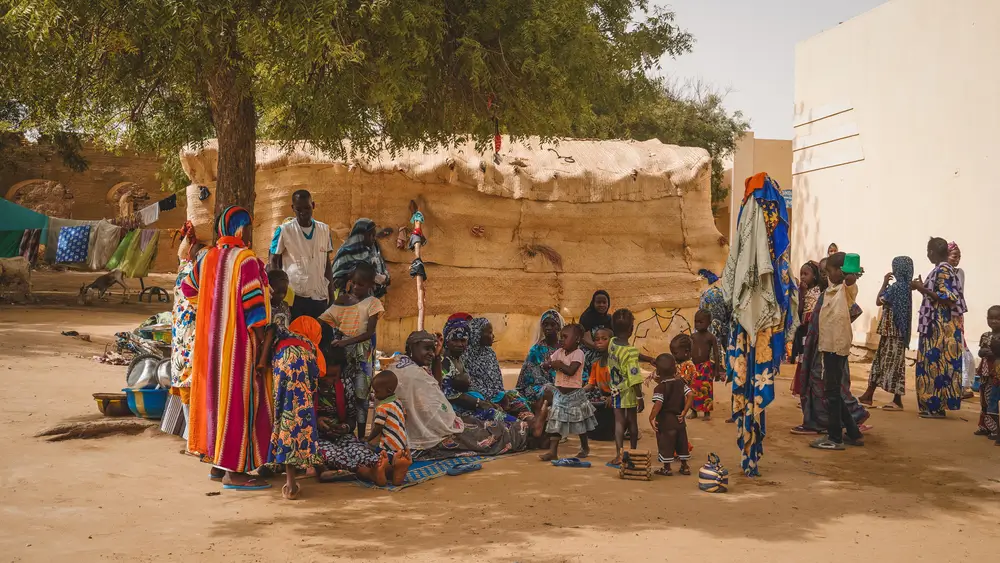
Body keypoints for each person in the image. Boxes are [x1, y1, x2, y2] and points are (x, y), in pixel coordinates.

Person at [181, 206, 273, 490]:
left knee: (217, 401)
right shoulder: (246, 260)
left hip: (210, 345)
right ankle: (235, 472)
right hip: (238, 345)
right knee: (238, 403)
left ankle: (218, 466)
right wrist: (262, 342)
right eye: (248, 228)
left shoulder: (207, 257)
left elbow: (188, 289)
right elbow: (255, 310)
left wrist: (213, 309)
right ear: (240, 230)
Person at [720, 173, 797, 476]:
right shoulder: (779, 267)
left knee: (749, 379)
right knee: (756, 381)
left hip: (752, 325)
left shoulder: (771, 265)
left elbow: (732, 282)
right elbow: (788, 298)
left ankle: (751, 450)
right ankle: (752, 452)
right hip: (762, 324)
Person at [389, 331, 539, 460]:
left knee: (478, 423)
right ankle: (527, 431)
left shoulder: (402, 365)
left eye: (432, 349)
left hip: (425, 427)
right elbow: (439, 401)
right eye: (426, 349)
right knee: (484, 434)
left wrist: (436, 357)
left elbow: (436, 391)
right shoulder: (415, 374)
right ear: (411, 348)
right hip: (425, 437)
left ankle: (529, 429)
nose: (431, 353)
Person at [319, 262, 384, 438]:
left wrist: (345, 342)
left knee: (362, 396)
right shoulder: (342, 300)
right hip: (344, 357)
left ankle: (361, 436)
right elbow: (324, 320)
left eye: (361, 284)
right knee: (346, 393)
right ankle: (345, 431)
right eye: (353, 282)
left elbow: (369, 333)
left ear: (371, 285)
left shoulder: (373, 303)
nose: (355, 287)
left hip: (363, 356)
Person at [266, 317, 325, 500]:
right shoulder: (310, 346)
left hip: (280, 370)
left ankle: (280, 471)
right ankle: (291, 484)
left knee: (282, 420)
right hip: (302, 388)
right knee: (298, 423)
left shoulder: (282, 335)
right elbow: (318, 374)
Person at [810, 252, 865, 450]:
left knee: (832, 392)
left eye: (830, 271)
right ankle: (853, 432)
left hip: (836, 347)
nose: (827, 275)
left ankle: (835, 437)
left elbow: (850, 283)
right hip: (829, 345)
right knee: (833, 391)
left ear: (839, 272)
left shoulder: (845, 290)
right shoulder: (831, 290)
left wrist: (850, 275)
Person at [314, 335, 385, 485]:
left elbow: (351, 419)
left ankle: (385, 469)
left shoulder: (345, 385)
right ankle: (366, 473)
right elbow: (301, 422)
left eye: (334, 376)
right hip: (316, 439)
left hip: (342, 436)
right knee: (334, 455)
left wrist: (345, 427)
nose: (329, 380)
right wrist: (317, 421)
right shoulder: (309, 387)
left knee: (362, 453)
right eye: (325, 375)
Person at [913, 237, 966, 418]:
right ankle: (936, 407)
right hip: (939, 325)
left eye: (928, 251)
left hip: (939, 327)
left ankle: (934, 406)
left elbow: (946, 297)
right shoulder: (944, 269)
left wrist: (921, 288)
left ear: (932, 252)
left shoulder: (943, 270)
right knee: (938, 365)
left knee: (934, 365)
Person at [269, 190, 336, 320]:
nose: (303, 212)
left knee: (319, 336)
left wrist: (331, 295)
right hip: (294, 297)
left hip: (319, 296)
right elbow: (273, 259)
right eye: (298, 209)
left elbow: (326, 263)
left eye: (307, 208)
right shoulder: (284, 230)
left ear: (313, 205)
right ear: (292, 208)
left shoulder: (324, 230)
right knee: (296, 336)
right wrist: (278, 289)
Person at [859, 256, 913, 410]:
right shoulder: (907, 287)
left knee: (889, 364)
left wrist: (884, 283)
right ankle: (869, 395)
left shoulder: (896, 288)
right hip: (896, 332)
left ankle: (897, 401)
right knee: (884, 363)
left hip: (892, 332)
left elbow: (879, 301)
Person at [164, 233, 204, 439]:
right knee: (191, 384)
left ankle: (191, 434)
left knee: (185, 383)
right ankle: (192, 436)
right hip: (191, 338)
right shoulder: (195, 277)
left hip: (181, 338)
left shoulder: (183, 271)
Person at [540, 324, 596, 461]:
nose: (561, 340)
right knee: (556, 422)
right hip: (559, 395)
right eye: (561, 337)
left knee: (579, 423)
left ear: (577, 339)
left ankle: (584, 447)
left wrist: (558, 365)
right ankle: (553, 451)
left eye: (565, 337)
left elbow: (571, 371)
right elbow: (547, 364)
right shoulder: (559, 352)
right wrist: (547, 364)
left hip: (575, 395)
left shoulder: (579, 354)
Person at [462, 317, 534, 420]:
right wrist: (497, 396)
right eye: (490, 333)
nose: (493, 336)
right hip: (481, 398)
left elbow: (498, 382)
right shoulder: (466, 356)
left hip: (499, 395)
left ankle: (530, 421)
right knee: (496, 411)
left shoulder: (490, 353)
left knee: (516, 397)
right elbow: (470, 386)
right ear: (477, 334)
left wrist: (501, 395)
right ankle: (528, 425)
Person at [441, 316, 509, 422]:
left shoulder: (458, 359)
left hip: (471, 401)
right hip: (452, 408)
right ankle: (526, 426)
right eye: (455, 340)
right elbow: (450, 394)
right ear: (446, 340)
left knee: (500, 410)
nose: (459, 344)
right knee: (495, 415)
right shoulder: (444, 362)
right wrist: (479, 403)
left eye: (463, 340)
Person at [608, 308, 644, 466]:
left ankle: (619, 454)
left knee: (619, 422)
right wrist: (640, 397)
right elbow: (634, 379)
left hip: (615, 390)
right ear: (631, 329)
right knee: (632, 423)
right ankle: (633, 452)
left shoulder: (611, 343)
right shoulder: (631, 352)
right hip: (629, 392)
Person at [649, 353, 693, 476]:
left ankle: (667, 468)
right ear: (675, 369)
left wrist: (651, 417)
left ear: (658, 372)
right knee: (682, 442)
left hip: (665, 422)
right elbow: (690, 395)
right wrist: (684, 411)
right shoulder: (680, 383)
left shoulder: (660, 388)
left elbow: (658, 404)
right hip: (679, 420)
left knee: (665, 443)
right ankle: (684, 466)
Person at [366, 370, 413, 486]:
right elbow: (405, 416)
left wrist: (368, 439)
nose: (375, 395)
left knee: (372, 453)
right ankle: (397, 469)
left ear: (388, 391)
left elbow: (378, 428)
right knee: (393, 457)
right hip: (402, 444)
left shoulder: (382, 407)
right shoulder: (398, 402)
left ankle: (382, 470)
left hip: (388, 445)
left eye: (376, 392)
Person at [516, 309, 565, 408]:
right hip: (541, 386)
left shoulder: (565, 347)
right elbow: (533, 377)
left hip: (565, 385)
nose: (548, 327)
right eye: (545, 324)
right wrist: (553, 386)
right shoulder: (536, 350)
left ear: (559, 327)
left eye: (552, 324)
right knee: (550, 392)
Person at [331, 218, 390, 298]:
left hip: (370, 300)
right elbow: (335, 280)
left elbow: (382, 270)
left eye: (374, 234)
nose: (373, 238)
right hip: (348, 301)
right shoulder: (345, 252)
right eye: (370, 235)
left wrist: (383, 278)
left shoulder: (373, 251)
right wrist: (356, 276)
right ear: (360, 235)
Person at [948, 242, 975, 400]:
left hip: (955, 314)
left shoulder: (959, 273)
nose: (957, 259)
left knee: (959, 346)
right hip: (947, 315)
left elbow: (956, 294)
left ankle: (964, 385)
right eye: (954, 256)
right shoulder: (941, 271)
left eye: (959, 257)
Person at [974, 306, 1000, 438]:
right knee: (983, 400)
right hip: (984, 372)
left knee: (992, 400)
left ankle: (995, 430)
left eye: (997, 318)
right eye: (991, 318)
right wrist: (983, 352)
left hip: (995, 373)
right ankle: (984, 426)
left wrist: (994, 353)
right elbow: (980, 351)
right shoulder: (985, 335)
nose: (994, 321)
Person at [691, 311, 719, 418]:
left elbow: (716, 353)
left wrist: (716, 370)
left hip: (706, 367)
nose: (697, 324)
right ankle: (694, 411)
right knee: (693, 389)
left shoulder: (710, 337)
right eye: (696, 322)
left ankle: (706, 412)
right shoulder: (693, 336)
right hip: (694, 367)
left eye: (701, 322)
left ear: (709, 323)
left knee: (706, 390)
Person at [792, 262, 821, 365]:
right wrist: (802, 294)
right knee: (804, 354)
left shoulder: (819, 290)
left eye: (806, 274)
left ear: (814, 276)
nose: (802, 277)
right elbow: (798, 311)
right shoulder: (800, 291)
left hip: (815, 328)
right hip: (804, 328)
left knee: (812, 355)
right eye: (801, 274)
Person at [579, 290, 612, 382]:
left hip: (605, 350)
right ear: (593, 303)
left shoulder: (609, 319)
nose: (601, 305)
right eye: (598, 302)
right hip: (589, 350)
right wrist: (599, 347)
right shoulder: (586, 317)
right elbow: (586, 339)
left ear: (608, 304)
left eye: (604, 302)